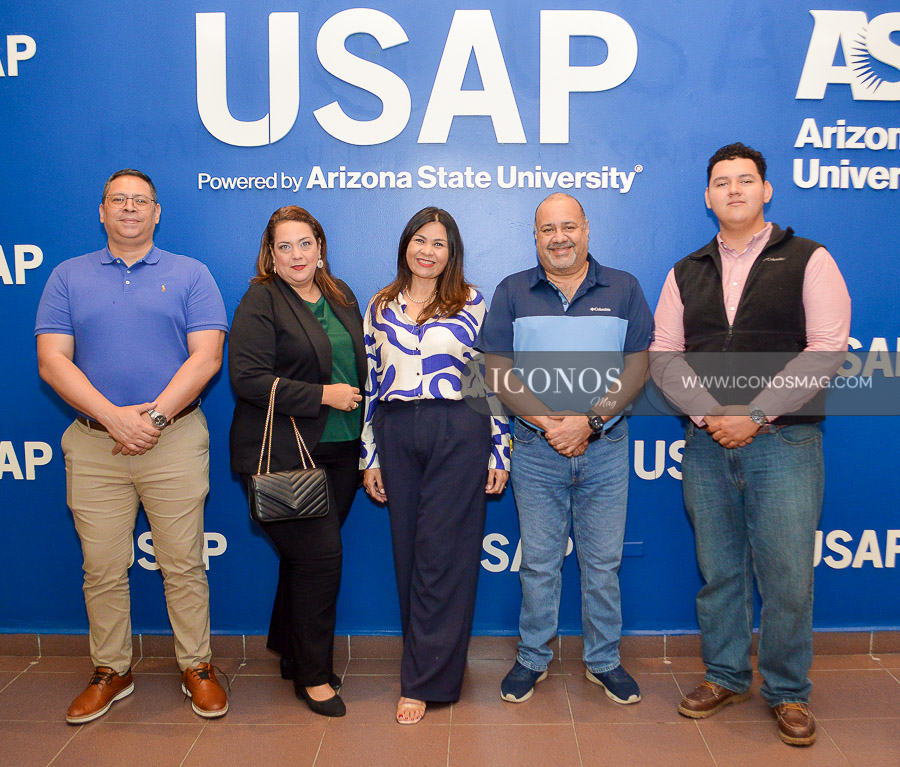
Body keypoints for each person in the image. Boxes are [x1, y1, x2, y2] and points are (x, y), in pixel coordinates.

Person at [650, 143, 851, 746]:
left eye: (745, 180)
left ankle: (788, 692)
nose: (733, 190)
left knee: (787, 576)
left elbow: (826, 350)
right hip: (707, 444)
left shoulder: (810, 258)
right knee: (719, 571)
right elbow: (665, 354)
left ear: (766, 190)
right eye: (722, 182)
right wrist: (713, 415)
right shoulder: (685, 270)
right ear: (707, 196)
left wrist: (755, 413)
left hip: (784, 443)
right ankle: (726, 675)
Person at [35, 169, 229, 723]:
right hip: (96, 444)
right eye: (117, 199)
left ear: (156, 212)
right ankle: (111, 670)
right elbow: (52, 361)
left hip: (175, 437)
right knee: (101, 566)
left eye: (140, 200)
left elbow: (207, 357)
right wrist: (114, 418)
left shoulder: (191, 274)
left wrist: (154, 418)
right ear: (102, 211)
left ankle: (197, 667)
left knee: (183, 563)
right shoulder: (67, 276)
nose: (128, 208)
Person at [479, 192, 653, 707]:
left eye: (568, 227)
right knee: (538, 564)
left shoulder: (623, 287)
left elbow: (638, 366)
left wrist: (589, 421)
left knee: (602, 564)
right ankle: (533, 657)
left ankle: (604, 661)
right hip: (536, 449)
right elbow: (496, 371)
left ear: (586, 229)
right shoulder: (512, 290)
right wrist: (551, 424)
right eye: (548, 229)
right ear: (535, 237)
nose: (559, 238)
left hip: (606, 447)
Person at [361, 207, 510, 725]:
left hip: (458, 428)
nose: (427, 251)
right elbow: (370, 382)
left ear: (452, 253)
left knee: (444, 554)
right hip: (396, 430)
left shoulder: (472, 302)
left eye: (439, 243)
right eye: (419, 240)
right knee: (409, 552)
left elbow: (489, 380)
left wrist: (499, 449)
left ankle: (423, 682)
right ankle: (429, 662)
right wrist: (369, 453)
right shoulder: (379, 305)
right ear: (406, 245)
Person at [229, 205, 365, 718]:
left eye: (305, 243)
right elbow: (247, 378)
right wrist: (323, 395)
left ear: (320, 247)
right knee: (319, 561)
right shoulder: (261, 299)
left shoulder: (341, 294)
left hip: (341, 452)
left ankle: (290, 651)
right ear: (270, 254)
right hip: (284, 453)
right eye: (284, 246)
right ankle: (314, 676)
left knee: (303, 561)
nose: (296, 255)